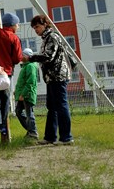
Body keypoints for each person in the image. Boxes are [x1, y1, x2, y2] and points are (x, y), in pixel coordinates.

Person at [26, 15, 74, 145]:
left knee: (61, 105)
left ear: (45, 25)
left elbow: (48, 57)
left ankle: (66, 138)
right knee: (52, 107)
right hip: (52, 77)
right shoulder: (46, 38)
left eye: (37, 26)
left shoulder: (52, 37)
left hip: (58, 76)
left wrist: (30, 58)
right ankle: (50, 137)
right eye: (34, 27)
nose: (36, 29)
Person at [14, 48, 39, 139]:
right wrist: (17, 91)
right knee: (18, 111)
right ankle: (30, 130)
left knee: (29, 114)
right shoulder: (26, 66)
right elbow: (22, 81)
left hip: (27, 94)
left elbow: (30, 82)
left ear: (28, 57)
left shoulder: (30, 66)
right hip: (23, 94)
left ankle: (33, 132)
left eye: (23, 55)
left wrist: (23, 94)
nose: (21, 56)